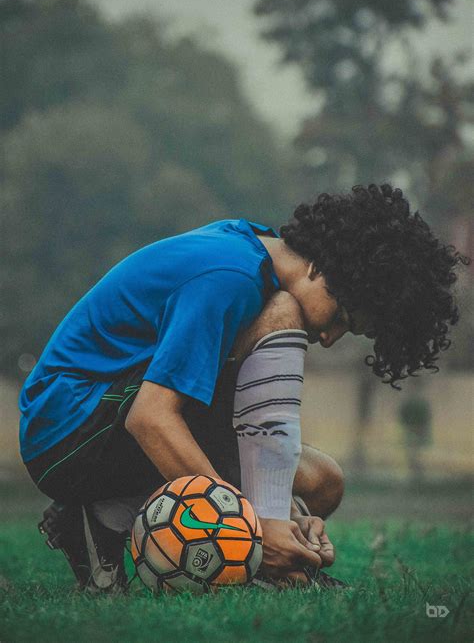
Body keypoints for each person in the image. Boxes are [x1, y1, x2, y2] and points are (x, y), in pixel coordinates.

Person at [19, 184, 468, 592]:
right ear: (321, 267)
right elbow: (150, 417)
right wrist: (252, 528)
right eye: (340, 319)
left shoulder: (254, 253)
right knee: (283, 313)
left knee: (323, 483)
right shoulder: (230, 276)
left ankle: (108, 519)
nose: (330, 338)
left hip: (114, 419)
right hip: (67, 426)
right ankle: (231, 554)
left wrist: (289, 525)